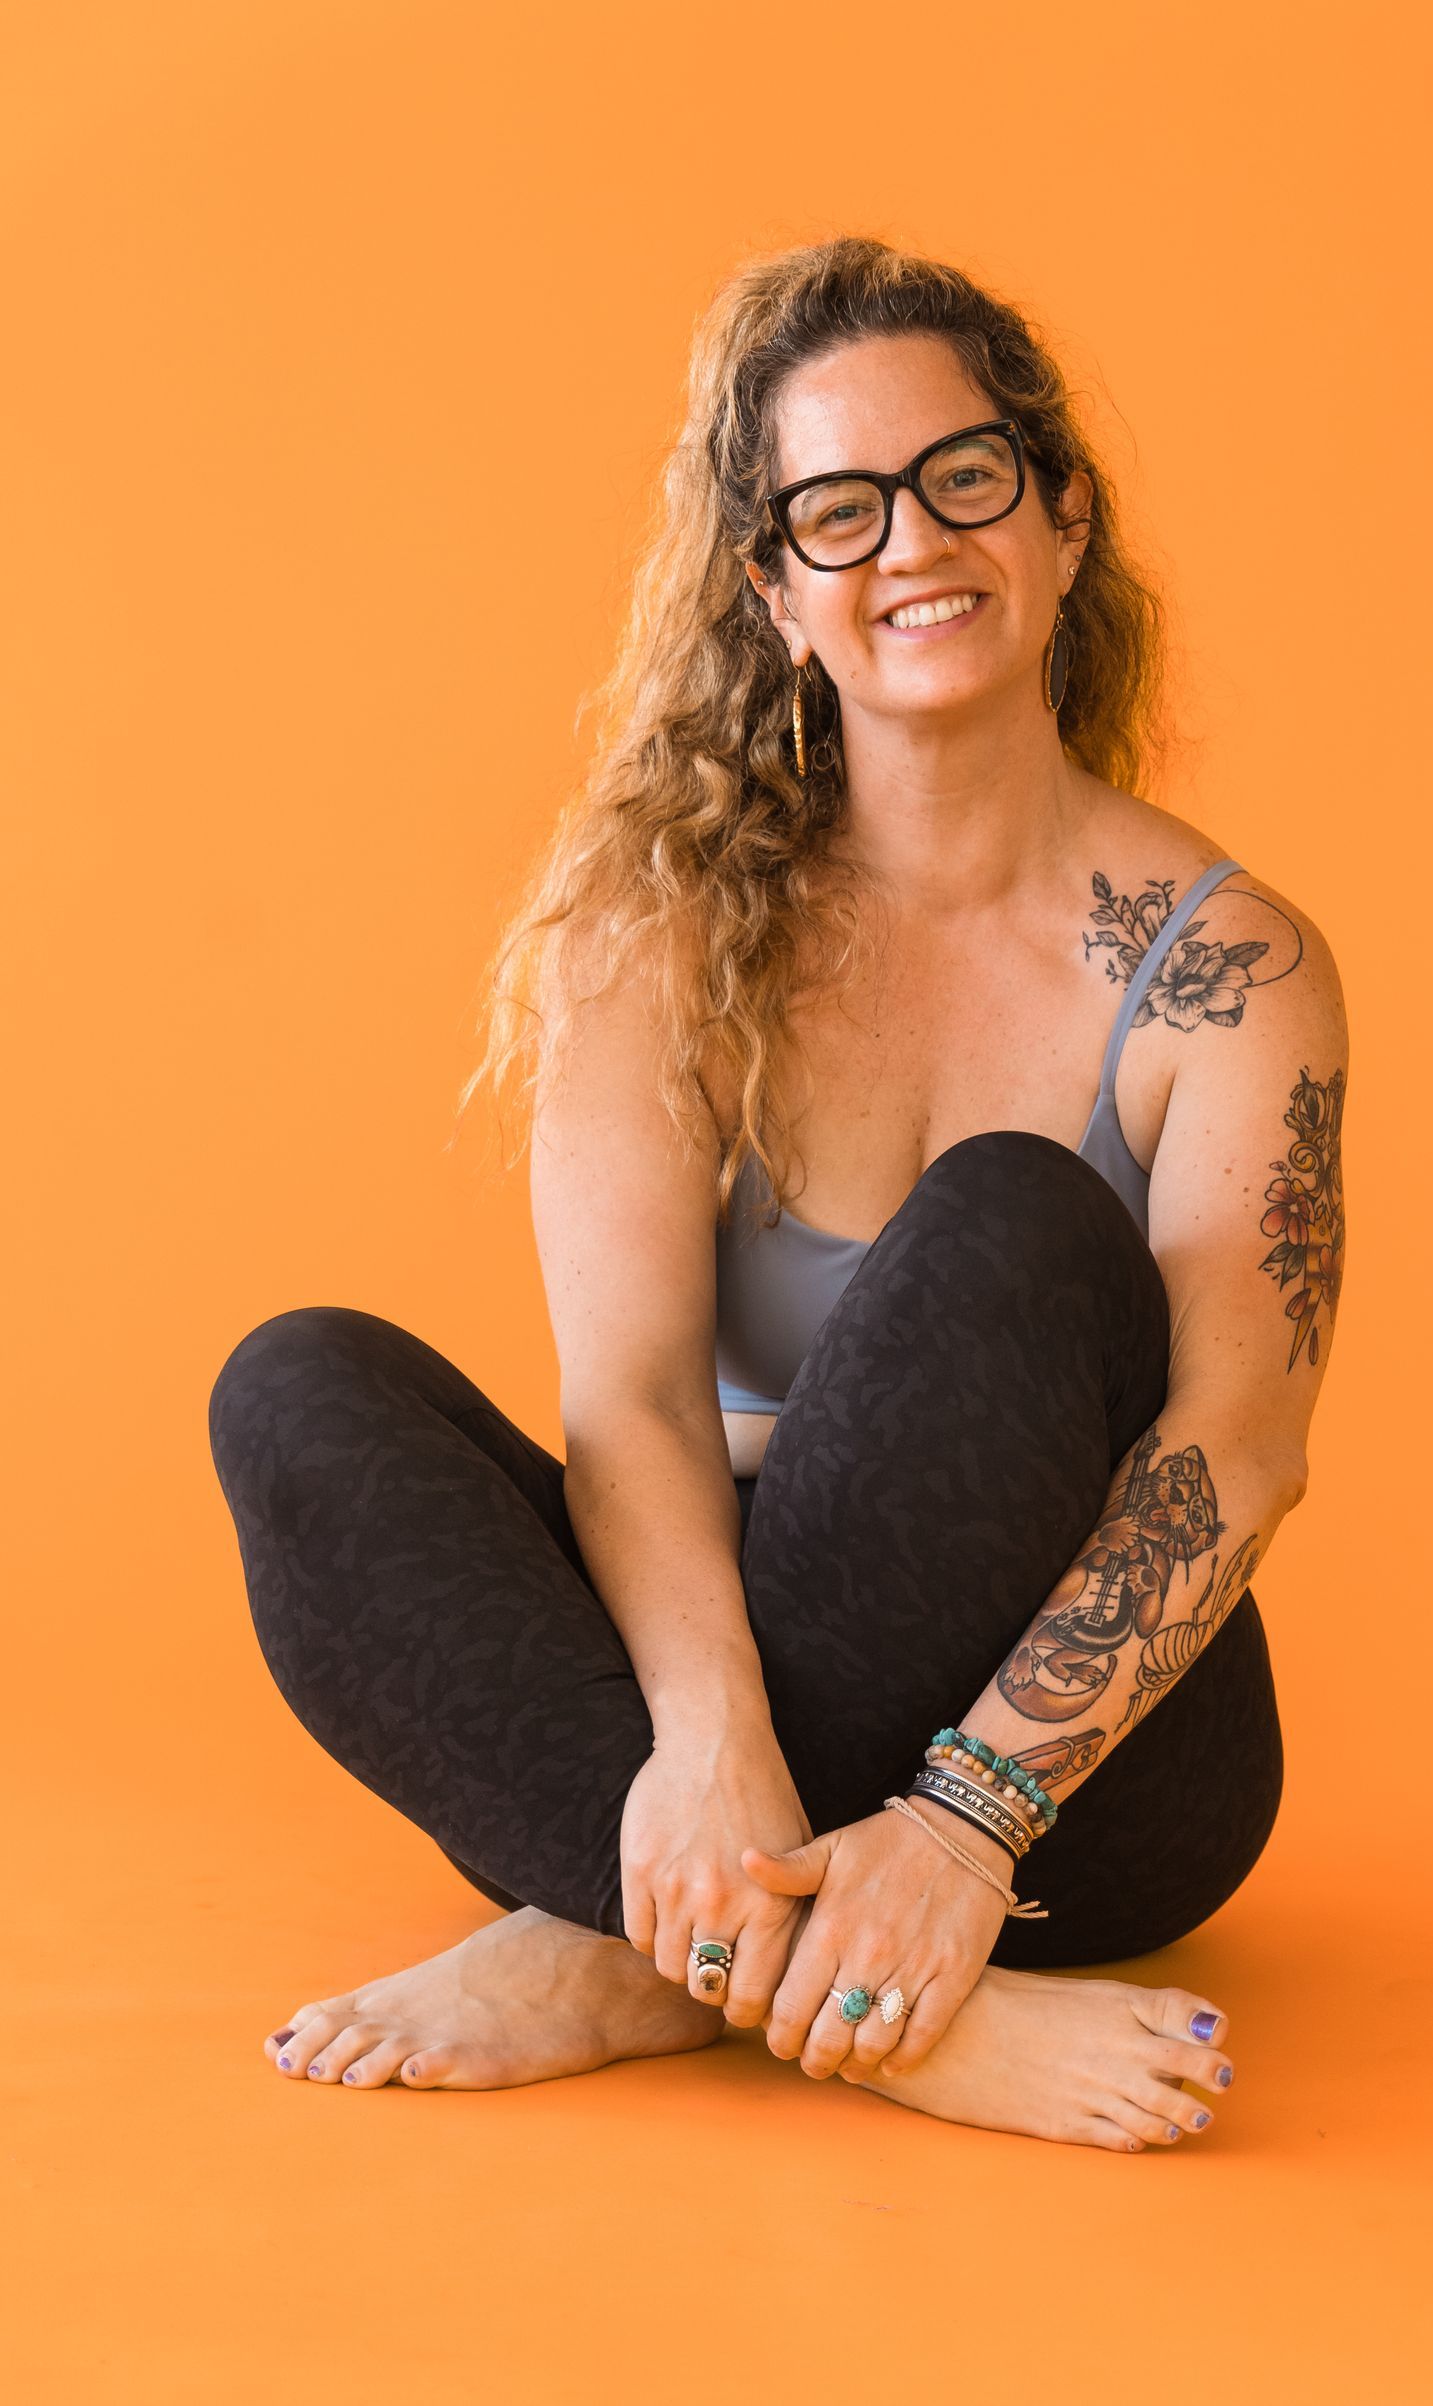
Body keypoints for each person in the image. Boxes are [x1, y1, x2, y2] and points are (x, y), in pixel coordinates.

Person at [208, 235, 1350, 2153]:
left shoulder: (1234, 968)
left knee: (1004, 1219)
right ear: (777, 592)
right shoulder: (653, 934)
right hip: (706, 1686)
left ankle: (640, 1955)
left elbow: (1237, 1445)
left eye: (964, 476)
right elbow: (636, 1402)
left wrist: (968, 1820)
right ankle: (884, 2012)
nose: (912, 541)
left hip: (1086, 1785)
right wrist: (707, 1739)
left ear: (1065, 518)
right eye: (839, 510)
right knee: (295, 1387)